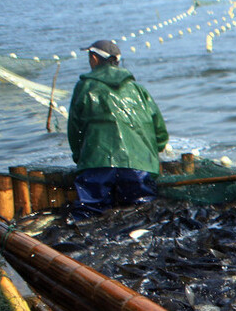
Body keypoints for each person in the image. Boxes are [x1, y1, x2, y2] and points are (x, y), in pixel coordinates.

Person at [66, 39, 168, 219]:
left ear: (95, 59)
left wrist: (79, 157)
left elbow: (75, 128)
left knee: (89, 214)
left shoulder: (84, 87)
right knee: (143, 214)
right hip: (138, 166)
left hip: (97, 163)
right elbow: (159, 130)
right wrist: (151, 152)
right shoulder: (137, 89)